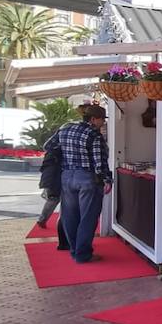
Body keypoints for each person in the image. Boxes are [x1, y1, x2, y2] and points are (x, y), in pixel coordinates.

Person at [44, 104, 112, 264]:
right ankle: (83, 254)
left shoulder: (65, 129)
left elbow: (48, 146)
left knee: (69, 216)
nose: (103, 123)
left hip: (66, 177)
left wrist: (65, 154)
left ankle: (74, 250)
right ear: (94, 119)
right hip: (87, 179)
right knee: (88, 217)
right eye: (102, 120)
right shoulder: (94, 134)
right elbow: (98, 162)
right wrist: (107, 179)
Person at [37, 127, 69, 250]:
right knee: (55, 200)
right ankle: (43, 220)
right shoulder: (59, 155)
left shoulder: (51, 152)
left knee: (53, 199)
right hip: (56, 180)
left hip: (53, 180)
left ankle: (42, 219)